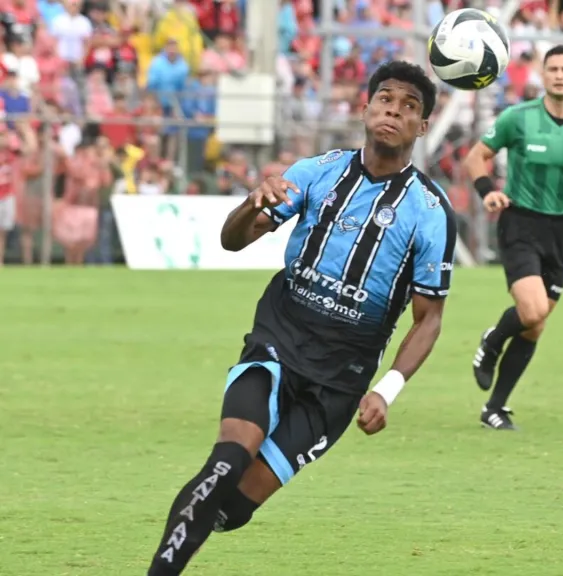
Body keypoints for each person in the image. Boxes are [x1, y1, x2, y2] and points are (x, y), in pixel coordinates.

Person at [147, 61, 456, 575]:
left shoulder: (431, 211)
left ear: (422, 127)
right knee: (225, 463)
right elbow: (233, 239)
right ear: (365, 107)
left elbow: (429, 318)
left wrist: (388, 389)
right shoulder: (316, 172)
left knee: (231, 509)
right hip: (277, 345)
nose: (393, 111)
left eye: (409, 107)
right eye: (385, 98)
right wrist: (252, 204)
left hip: (339, 383)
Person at [463, 44, 563, 430]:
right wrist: (488, 191)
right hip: (520, 222)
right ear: (543, 76)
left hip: (560, 231)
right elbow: (475, 157)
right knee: (531, 311)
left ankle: (494, 408)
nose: (560, 75)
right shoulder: (518, 118)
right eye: (553, 69)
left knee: (535, 326)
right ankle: (492, 341)